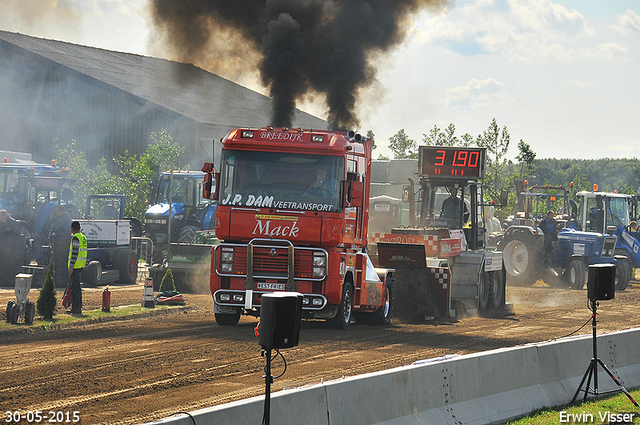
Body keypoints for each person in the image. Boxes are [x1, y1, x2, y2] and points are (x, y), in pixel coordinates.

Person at [67, 221, 87, 315]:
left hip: (75, 266)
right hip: (80, 265)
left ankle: (76, 308)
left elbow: (74, 253)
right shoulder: (83, 238)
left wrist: (71, 266)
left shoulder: (76, 238)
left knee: (75, 288)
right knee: (77, 288)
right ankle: (77, 307)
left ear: (71, 228)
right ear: (80, 228)